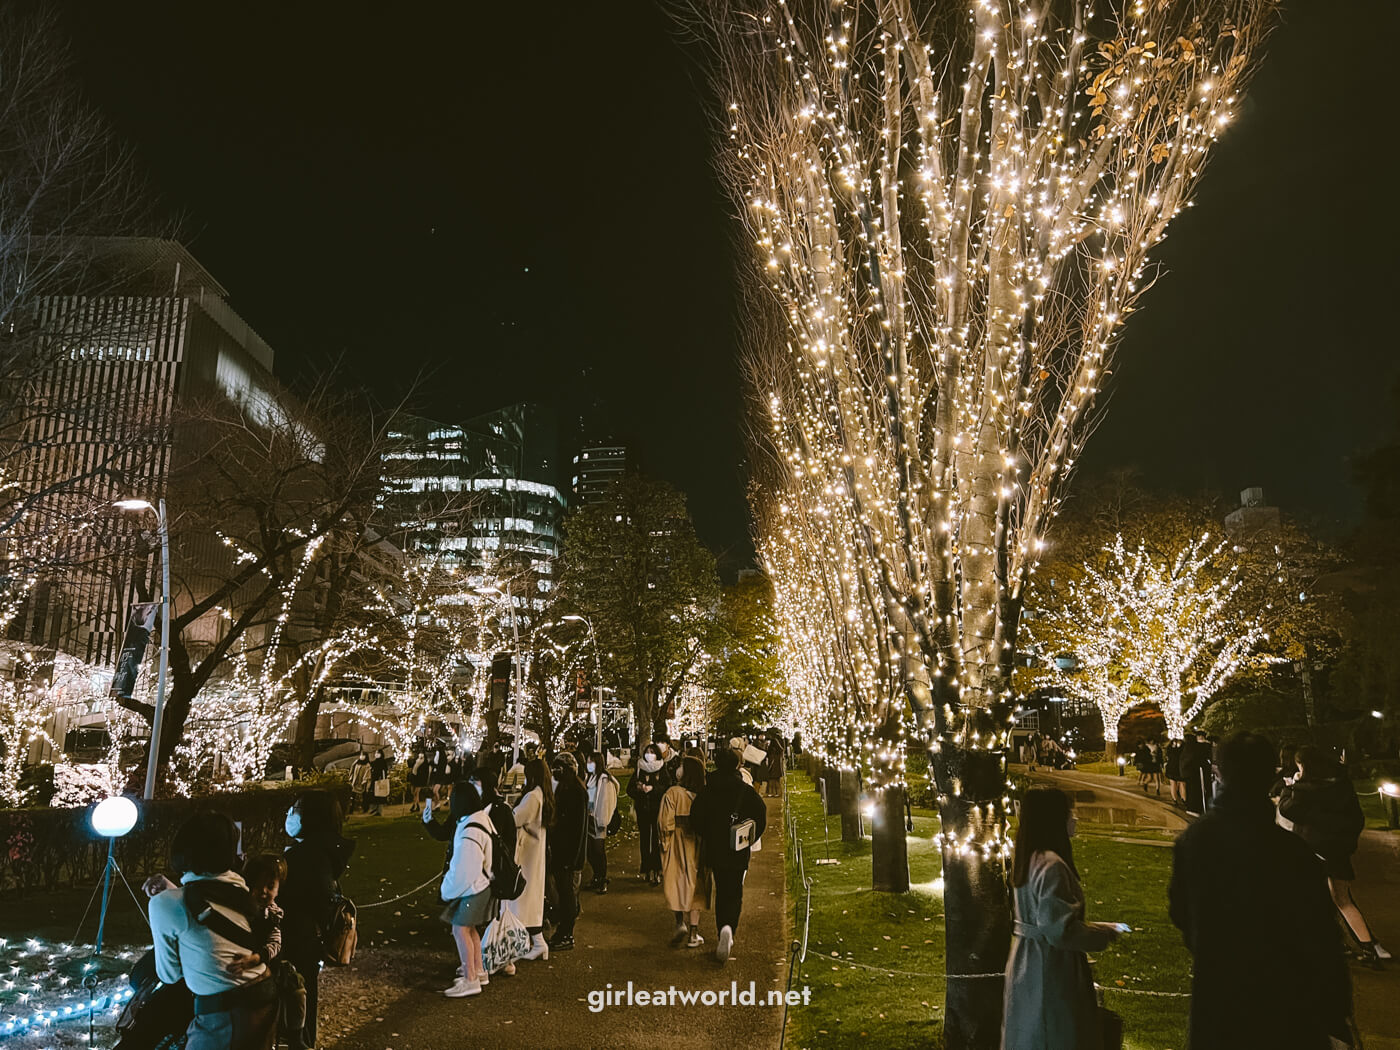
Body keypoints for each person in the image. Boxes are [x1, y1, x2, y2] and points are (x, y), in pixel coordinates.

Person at [1169, 732, 1352, 1049]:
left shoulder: (1195, 841)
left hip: (1220, 997)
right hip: (1287, 1004)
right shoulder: (1292, 852)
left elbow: (1181, 913)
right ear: (1269, 777)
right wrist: (1336, 1011)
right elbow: (1321, 937)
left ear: (1218, 772)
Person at [1002, 788, 1123, 1050]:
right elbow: (1059, 930)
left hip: (1027, 959)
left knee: (1030, 1032)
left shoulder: (1029, 860)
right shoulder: (1052, 865)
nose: (1075, 818)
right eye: (1070, 812)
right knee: (1054, 1032)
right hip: (1050, 964)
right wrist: (1102, 934)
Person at [148, 813, 278, 1050]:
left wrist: (167, 900)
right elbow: (209, 901)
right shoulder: (241, 890)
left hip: (225, 1013)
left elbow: (169, 974)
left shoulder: (165, 904)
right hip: (263, 996)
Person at [1279, 746, 1387, 967]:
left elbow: (1287, 810)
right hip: (1337, 851)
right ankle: (1368, 948)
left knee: (1310, 898)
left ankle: (1327, 943)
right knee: (1342, 899)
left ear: (1304, 766)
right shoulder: (1341, 785)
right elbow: (1356, 818)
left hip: (1313, 850)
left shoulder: (1306, 789)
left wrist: (1292, 787)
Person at [281, 791, 354, 1049]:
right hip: (310, 939)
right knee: (305, 992)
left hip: (296, 939)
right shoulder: (322, 850)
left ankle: (303, 1041)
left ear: (311, 817)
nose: (290, 813)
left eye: (297, 809)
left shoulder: (306, 857)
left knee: (297, 996)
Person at [689, 748, 767, 962]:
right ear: (736, 765)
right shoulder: (745, 790)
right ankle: (729, 928)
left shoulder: (709, 789)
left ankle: (722, 927)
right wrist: (749, 836)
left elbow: (695, 817)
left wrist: (708, 833)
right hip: (738, 848)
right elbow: (760, 815)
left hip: (715, 848)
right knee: (734, 891)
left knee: (721, 888)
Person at [440, 781, 495, 998]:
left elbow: (465, 869)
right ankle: (478, 970)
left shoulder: (469, 831)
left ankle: (470, 978)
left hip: (474, 888)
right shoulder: (481, 819)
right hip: (483, 885)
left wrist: (447, 889)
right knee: (469, 929)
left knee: (460, 929)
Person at [506, 757, 554, 961]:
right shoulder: (542, 795)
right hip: (534, 853)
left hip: (527, 854)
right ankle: (538, 943)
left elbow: (516, 818)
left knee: (522, 901)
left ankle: (523, 945)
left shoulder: (533, 797)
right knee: (529, 901)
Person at [659, 755, 710, 948]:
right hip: (696, 842)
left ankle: (679, 922)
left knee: (677, 881)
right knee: (696, 885)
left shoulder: (673, 793)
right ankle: (694, 932)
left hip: (677, 842)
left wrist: (665, 843)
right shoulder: (703, 794)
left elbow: (664, 822)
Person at [548, 753, 588, 952]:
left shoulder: (575, 791)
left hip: (568, 854)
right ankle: (563, 930)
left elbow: (577, 827)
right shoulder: (566, 788)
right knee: (564, 894)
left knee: (567, 894)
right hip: (561, 851)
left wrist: (571, 858)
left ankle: (566, 933)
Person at [629, 744, 668, 885]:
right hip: (643, 810)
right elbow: (630, 789)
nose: (649, 754)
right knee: (645, 840)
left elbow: (667, 787)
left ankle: (657, 869)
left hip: (657, 809)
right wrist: (639, 789)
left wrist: (653, 788)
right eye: (647, 752)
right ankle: (646, 868)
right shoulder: (640, 768)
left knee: (656, 840)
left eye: (652, 752)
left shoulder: (662, 768)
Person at [582, 748, 619, 894]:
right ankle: (596, 876)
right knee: (591, 851)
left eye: (591, 761)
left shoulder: (604, 780)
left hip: (598, 820)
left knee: (598, 851)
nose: (588, 764)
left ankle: (601, 878)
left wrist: (602, 820)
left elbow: (606, 801)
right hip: (589, 818)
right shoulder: (589, 778)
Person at [472, 759, 518, 862]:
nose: (473, 788)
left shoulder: (502, 809)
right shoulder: (470, 806)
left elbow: (510, 841)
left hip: (493, 867)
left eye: (476, 784)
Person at [368, 748, 391, 816]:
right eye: (376, 753)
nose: (376, 754)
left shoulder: (382, 762)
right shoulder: (374, 762)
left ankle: (379, 810)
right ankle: (374, 809)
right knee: (374, 795)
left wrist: (382, 779)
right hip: (374, 780)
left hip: (379, 781)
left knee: (380, 795)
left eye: (378, 753)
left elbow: (384, 772)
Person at [408, 749, 431, 815]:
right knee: (413, 792)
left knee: (416, 792)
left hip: (419, 779)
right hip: (414, 777)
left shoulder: (424, 762)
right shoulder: (416, 760)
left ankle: (413, 805)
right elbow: (412, 765)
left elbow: (425, 772)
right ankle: (417, 805)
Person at [764, 730, 785, 798]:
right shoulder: (778, 741)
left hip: (773, 762)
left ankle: (774, 792)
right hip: (774, 761)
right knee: (774, 778)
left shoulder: (774, 741)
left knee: (773, 778)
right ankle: (775, 792)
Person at [1164, 738, 1184, 806]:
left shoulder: (1169, 748)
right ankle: (1182, 799)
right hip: (1178, 767)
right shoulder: (1182, 747)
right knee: (1181, 783)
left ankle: (1175, 799)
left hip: (1172, 767)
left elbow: (1168, 757)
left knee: (1175, 784)